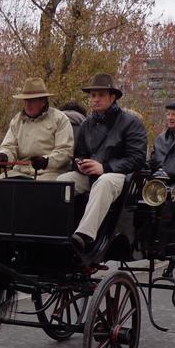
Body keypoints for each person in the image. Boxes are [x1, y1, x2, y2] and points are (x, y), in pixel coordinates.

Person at [58, 73, 148, 254]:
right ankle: (55, 229)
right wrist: (80, 163)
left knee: (104, 182)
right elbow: (80, 153)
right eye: (93, 95)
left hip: (120, 177)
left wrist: (105, 167)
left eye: (100, 95)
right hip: (90, 175)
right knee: (62, 181)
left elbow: (137, 159)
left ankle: (83, 236)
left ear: (112, 97)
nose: (96, 99)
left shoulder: (131, 123)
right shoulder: (87, 124)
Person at [0, 77, 73, 180]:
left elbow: (65, 151)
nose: (27, 105)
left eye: (32, 101)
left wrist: (46, 161)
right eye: (26, 100)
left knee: (36, 191)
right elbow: (9, 146)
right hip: (19, 172)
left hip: (49, 173)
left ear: (43, 101)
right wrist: (4, 155)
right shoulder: (17, 120)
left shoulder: (60, 119)